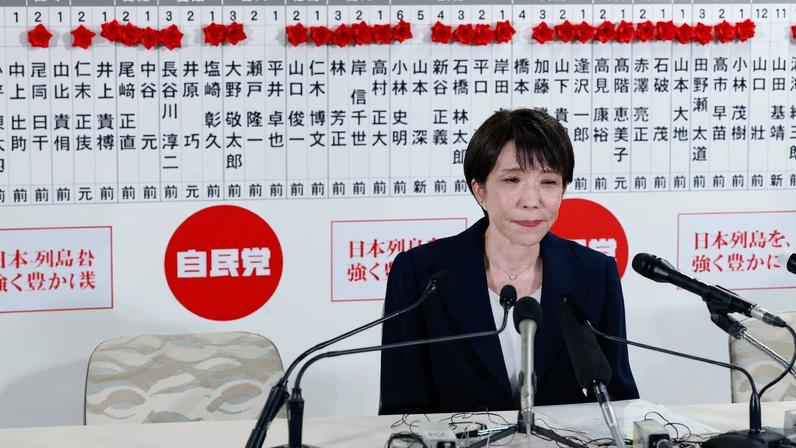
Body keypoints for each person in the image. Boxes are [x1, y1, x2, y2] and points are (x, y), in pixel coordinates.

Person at [378, 108, 639, 415]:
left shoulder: (596, 274)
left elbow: (617, 400)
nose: (531, 200)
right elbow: (401, 412)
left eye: (548, 182)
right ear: (480, 190)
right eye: (512, 179)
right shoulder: (420, 275)